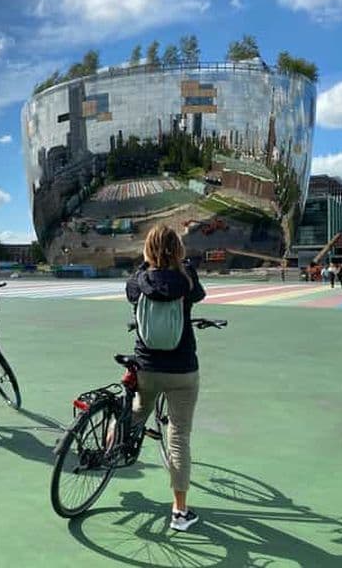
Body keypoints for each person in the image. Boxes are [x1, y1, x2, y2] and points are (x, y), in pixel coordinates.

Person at [125, 224, 206, 532]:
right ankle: (180, 511)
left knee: (135, 412)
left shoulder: (138, 280)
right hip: (183, 369)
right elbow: (198, 294)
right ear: (179, 249)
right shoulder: (186, 278)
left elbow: (132, 292)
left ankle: (107, 449)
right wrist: (179, 264)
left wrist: (148, 264)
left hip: (147, 366)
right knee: (179, 437)